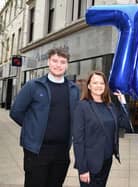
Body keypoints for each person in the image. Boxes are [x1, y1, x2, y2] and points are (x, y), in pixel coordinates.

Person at [9, 48, 80, 187]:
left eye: (62, 62)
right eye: (54, 61)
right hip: (36, 150)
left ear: (67, 65)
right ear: (48, 62)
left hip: (61, 151)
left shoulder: (73, 89)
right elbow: (16, 112)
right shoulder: (33, 86)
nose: (58, 65)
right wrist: (33, 128)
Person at [72, 71, 131, 187]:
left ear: (105, 86)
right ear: (89, 86)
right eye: (95, 83)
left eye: (102, 83)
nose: (99, 86)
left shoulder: (110, 106)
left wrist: (123, 102)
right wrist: (82, 169)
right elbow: (78, 140)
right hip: (90, 163)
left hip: (106, 161)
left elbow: (125, 124)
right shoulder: (82, 106)